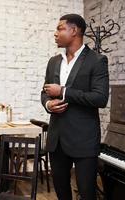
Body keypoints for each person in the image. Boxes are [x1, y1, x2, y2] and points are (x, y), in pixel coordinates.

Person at [41, 14, 109, 200]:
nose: (55, 33)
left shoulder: (97, 60)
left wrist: (63, 91)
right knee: (62, 193)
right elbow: (45, 92)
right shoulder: (53, 61)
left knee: (87, 194)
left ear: (74, 30)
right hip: (57, 141)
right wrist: (48, 104)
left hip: (84, 140)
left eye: (60, 28)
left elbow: (100, 98)